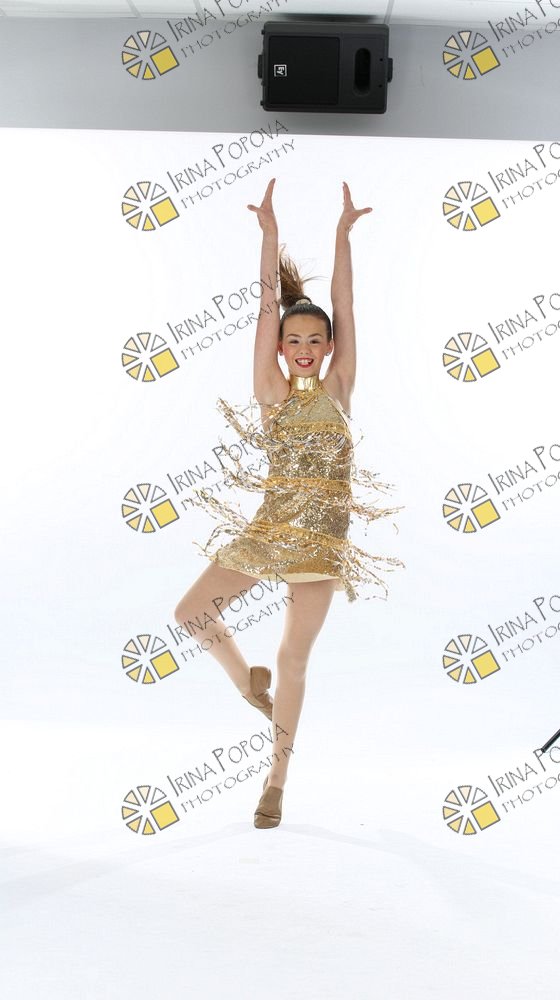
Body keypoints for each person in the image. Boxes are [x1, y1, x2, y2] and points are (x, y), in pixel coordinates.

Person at [174, 178, 404, 829]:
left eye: (314, 341)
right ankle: (244, 679)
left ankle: (275, 781)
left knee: (293, 658)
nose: (303, 349)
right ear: (280, 348)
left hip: (321, 540)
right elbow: (264, 307)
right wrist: (269, 235)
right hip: (271, 527)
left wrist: (342, 234)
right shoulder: (270, 391)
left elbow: (345, 304)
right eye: (293, 340)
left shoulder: (339, 387)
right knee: (192, 611)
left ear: (328, 348)